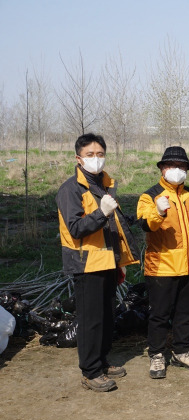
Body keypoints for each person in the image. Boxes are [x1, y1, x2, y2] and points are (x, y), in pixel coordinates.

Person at [56, 133, 140, 392]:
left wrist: (120, 259)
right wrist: (100, 212)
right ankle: (90, 372)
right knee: (90, 319)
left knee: (106, 316)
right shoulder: (70, 189)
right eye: (90, 154)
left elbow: (116, 226)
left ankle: (102, 361)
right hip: (87, 263)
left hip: (108, 260)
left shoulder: (105, 184)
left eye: (100, 154)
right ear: (78, 158)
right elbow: (75, 228)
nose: (96, 159)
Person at [137, 146, 189, 379]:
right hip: (161, 266)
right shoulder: (150, 196)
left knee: (185, 312)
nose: (176, 170)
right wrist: (158, 212)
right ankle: (157, 355)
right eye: (171, 166)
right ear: (162, 168)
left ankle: (182, 350)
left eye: (181, 166)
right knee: (159, 314)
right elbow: (146, 225)